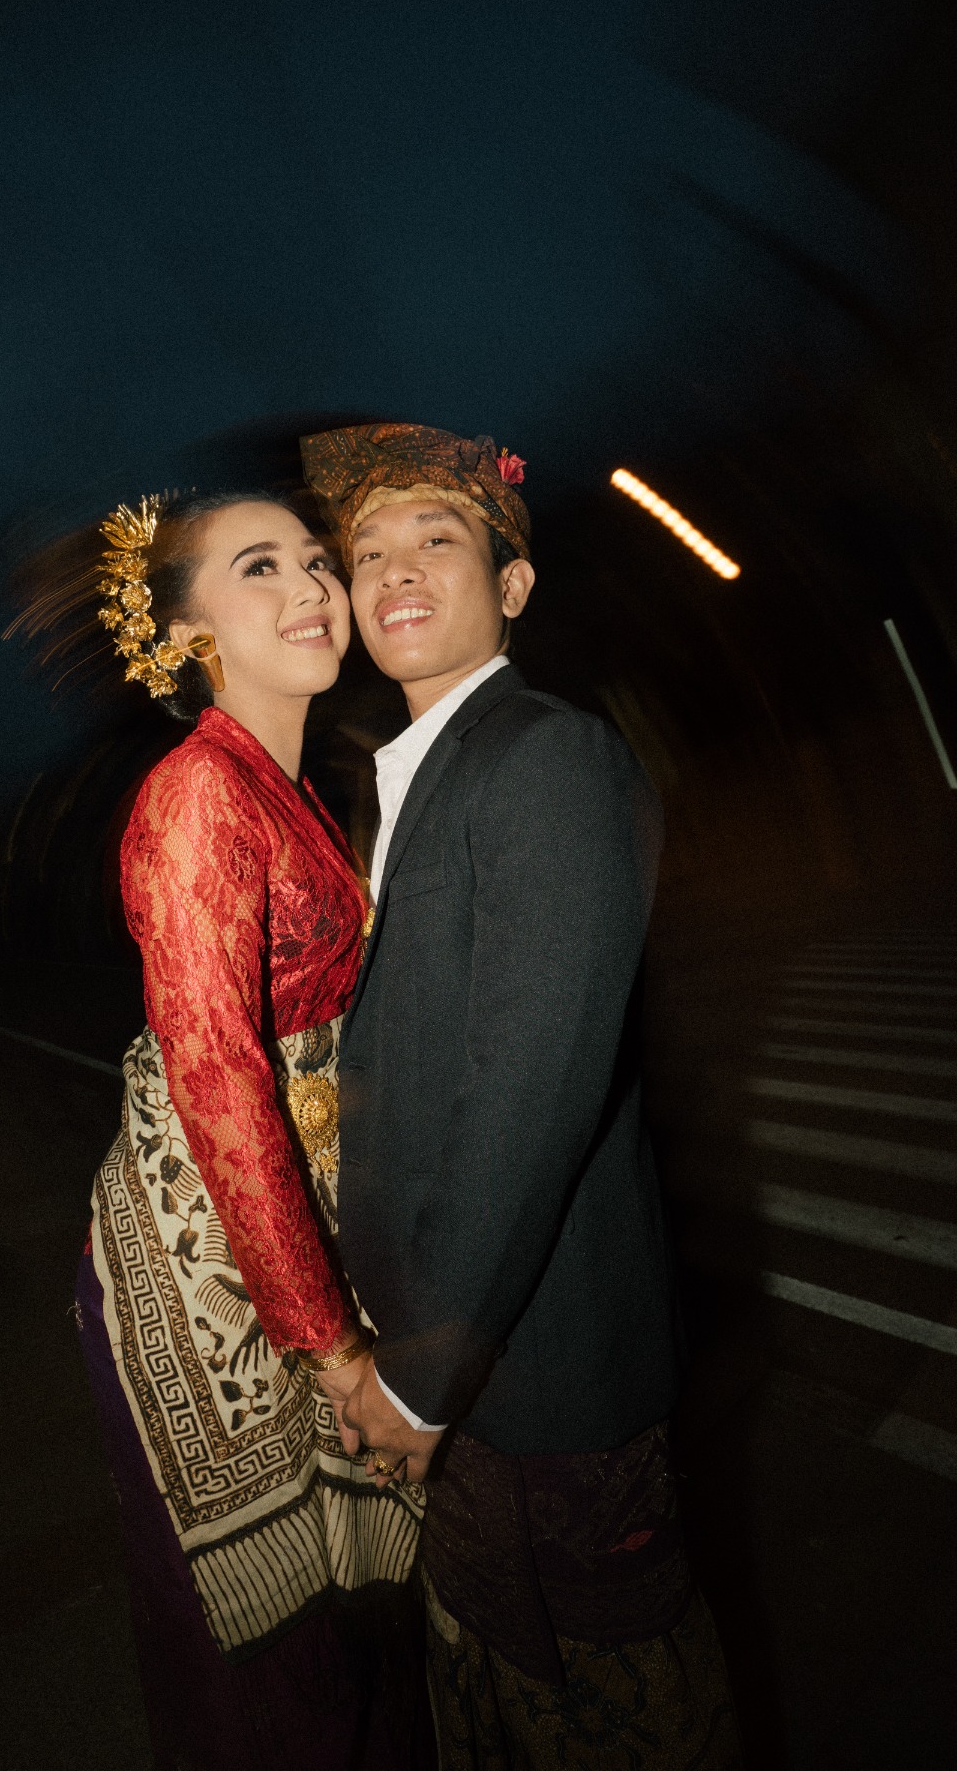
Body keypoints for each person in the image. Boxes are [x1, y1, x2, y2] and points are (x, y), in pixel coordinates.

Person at [302, 424, 742, 1769]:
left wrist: (424, 1375)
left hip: (541, 1381)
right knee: (494, 1704)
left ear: (514, 587)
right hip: (474, 1375)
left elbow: (530, 1087)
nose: (396, 571)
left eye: (436, 540)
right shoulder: (411, 778)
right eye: (369, 553)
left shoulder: (545, 759)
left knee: (615, 1718)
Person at [67, 490, 432, 1770]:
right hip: (207, 1257)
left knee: (354, 1628)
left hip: (292, 1227)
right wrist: (329, 1346)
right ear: (184, 632)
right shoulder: (197, 795)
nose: (315, 588)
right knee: (277, 1669)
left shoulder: (284, 786)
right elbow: (218, 1079)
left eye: (317, 562)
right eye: (262, 567)